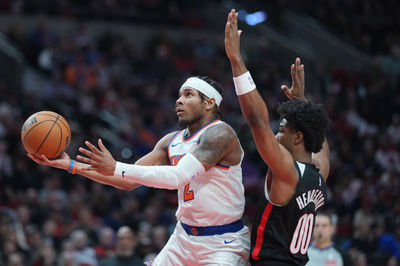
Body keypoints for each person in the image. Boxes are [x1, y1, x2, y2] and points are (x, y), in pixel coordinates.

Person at [28, 75, 250, 265]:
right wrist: (71, 165)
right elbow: (128, 180)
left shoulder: (221, 135)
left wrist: (116, 166)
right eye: (179, 95)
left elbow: (177, 177)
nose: (179, 100)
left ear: (209, 102)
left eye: (188, 94)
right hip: (183, 238)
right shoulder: (170, 142)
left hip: (223, 241)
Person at [225, 9, 330, 265]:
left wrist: (237, 61)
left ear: (298, 138)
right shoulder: (320, 173)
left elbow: (257, 121)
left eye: (282, 129)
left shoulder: (287, 171)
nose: (276, 133)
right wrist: (302, 103)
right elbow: (320, 140)